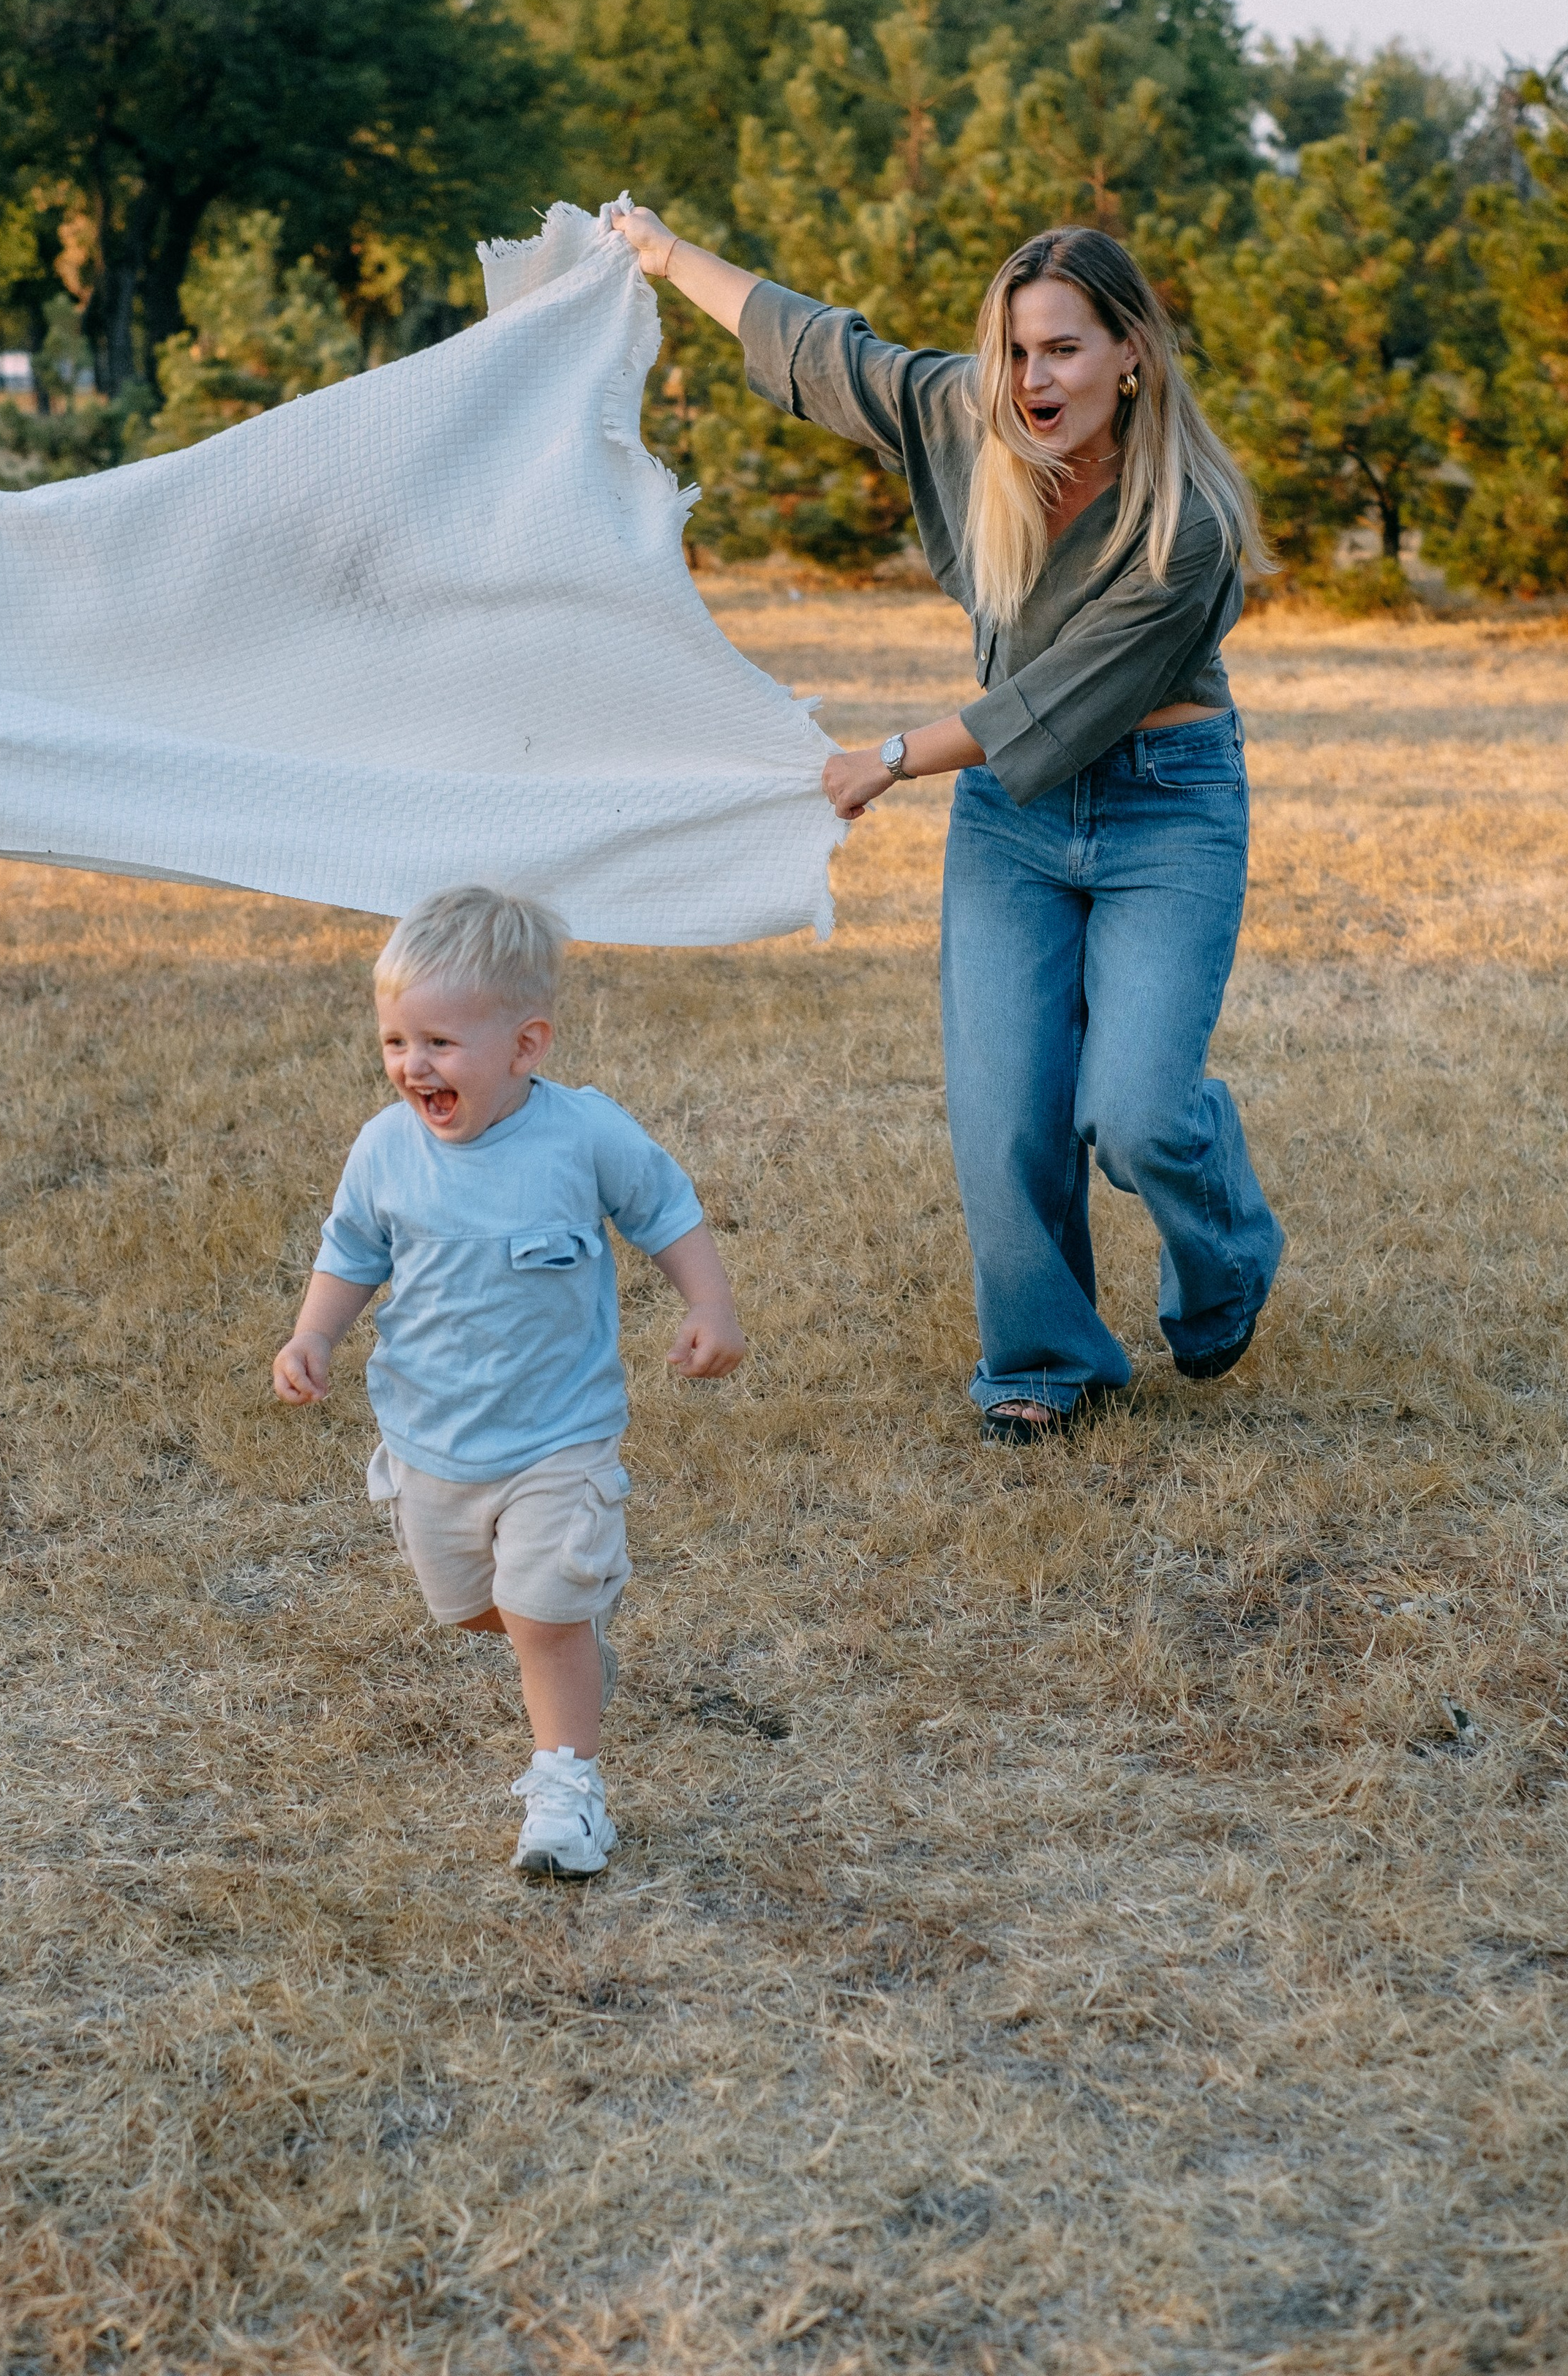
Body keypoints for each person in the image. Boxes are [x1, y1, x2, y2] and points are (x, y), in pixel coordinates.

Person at [608, 206, 1284, 1437]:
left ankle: (1226, 1248)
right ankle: (1041, 1364)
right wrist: (663, 254)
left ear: (1132, 352)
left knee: (1135, 1113)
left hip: (1165, 811)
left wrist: (888, 758)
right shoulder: (972, 423)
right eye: (1020, 351)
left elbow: (1058, 696)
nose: (1036, 379)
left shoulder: (1188, 523)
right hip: (1013, 824)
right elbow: (820, 348)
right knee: (1005, 1110)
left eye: (1067, 350)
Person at [273, 883, 746, 1875]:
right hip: (432, 1440)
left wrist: (710, 1305)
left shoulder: (582, 1137)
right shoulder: (384, 1151)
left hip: (558, 1437)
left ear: (526, 1046)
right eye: (397, 1043)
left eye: (441, 1043)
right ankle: (565, 1639)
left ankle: (569, 1794)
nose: (415, 1067)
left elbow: (663, 1208)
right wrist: (315, 1335)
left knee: (541, 1612)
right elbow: (353, 1248)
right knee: (473, 1608)